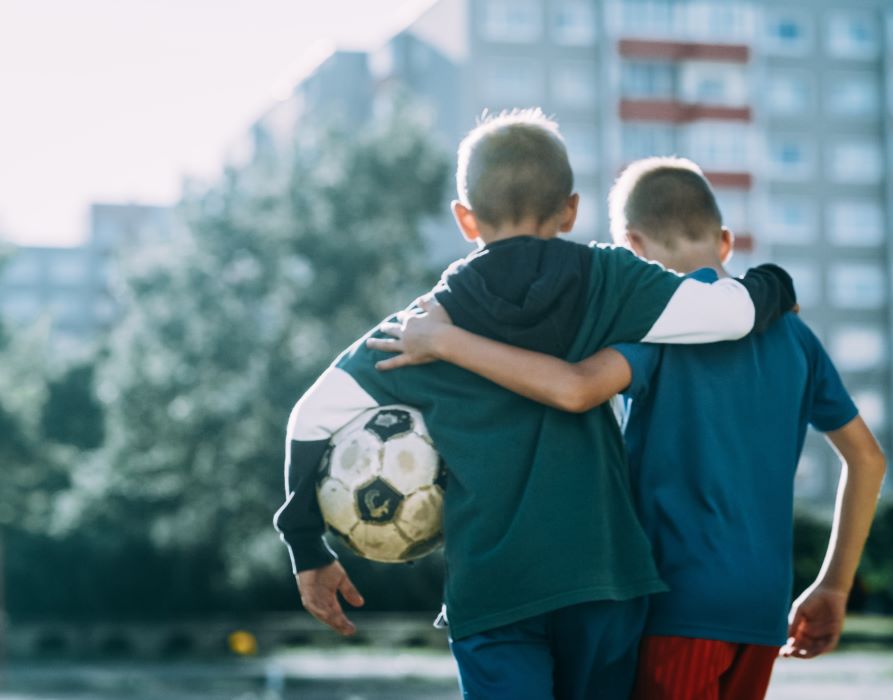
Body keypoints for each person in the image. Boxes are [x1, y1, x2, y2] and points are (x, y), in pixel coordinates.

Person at [274, 113, 797, 699]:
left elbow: (310, 417)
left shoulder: (425, 325)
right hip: (604, 581)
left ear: (464, 217)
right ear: (570, 210)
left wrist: (304, 544)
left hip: (496, 592)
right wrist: (776, 284)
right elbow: (732, 315)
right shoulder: (612, 279)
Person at [370, 157, 886, 700]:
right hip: (761, 611)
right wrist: (833, 584)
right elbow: (867, 460)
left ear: (633, 248)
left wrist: (446, 343)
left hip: (678, 605)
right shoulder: (797, 339)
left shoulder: (659, 327)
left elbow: (574, 388)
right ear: (725, 242)